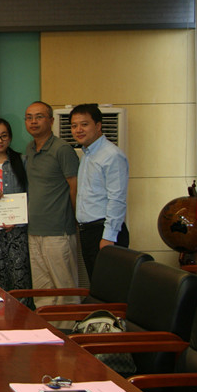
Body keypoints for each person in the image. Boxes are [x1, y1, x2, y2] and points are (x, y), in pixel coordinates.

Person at [24, 101, 80, 308]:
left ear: (51, 120)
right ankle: (47, 326)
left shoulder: (62, 149)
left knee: (65, 288)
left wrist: (74, 219)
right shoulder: (30, 148)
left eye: (39, 117)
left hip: (58, 231)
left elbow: (75, 187)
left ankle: (69, 327)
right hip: (34, 230)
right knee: (42, 290)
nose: (33, 122)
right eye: (29, 117)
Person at [70, 103, 130, 279]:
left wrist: (109, 237)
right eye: (74, 125)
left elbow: (117, 199)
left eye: (84, 124)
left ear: (98, 126)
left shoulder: (111, 155)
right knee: (97, 285)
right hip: (89, 232)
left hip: (105, 232)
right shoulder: (87, 155)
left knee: (110, 287)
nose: (78, 130)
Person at [0, 118, 31, 296]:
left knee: (20, 276)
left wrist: (17, 219)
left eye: (3, 136)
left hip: (17, 228)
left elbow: (30, 193)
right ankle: (1, 313)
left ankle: (22, 312)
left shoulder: (22, 161)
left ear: (10, 138)